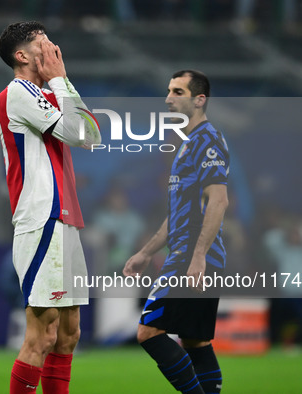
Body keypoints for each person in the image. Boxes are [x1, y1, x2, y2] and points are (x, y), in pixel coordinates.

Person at [0, 21, 101, 394]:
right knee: (42, 334)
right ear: (22, 56)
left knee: (68, 334)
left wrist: (61, 81)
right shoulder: (18, 92)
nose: (54, 51)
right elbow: (75, 132)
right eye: (45, 45)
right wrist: (60, 79)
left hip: (65, 219)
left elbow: (90, 136)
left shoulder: (47, 93)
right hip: (41, 218)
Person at [123, 70, 229, 394]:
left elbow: (219, 201)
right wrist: (145, 252)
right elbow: (178, 213)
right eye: (169, 91)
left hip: (191, 256)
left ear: (200, 99)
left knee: (148, 332)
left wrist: (197, 257)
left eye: (178, 92)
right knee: (195, 341)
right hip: (192, 252)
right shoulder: (189, 142)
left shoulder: (207, 140)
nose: (168, 98)